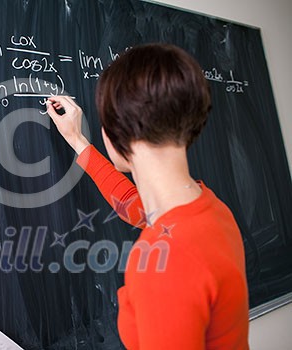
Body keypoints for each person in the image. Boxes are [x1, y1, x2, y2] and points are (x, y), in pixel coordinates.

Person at [46, 43, 249, 349]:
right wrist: (78, 141)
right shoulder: (210, 210)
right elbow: (137, 207)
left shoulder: (162, 262)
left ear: (115, 131)